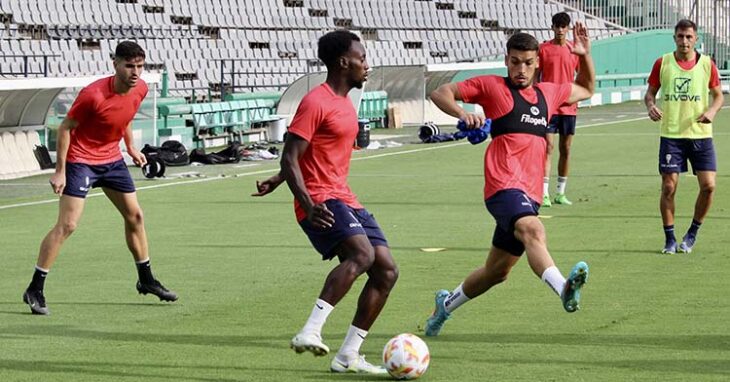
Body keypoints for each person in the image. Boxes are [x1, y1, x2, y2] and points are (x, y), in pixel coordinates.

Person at [424, 24, 595, 337]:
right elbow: (439, 92)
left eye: (528, 62)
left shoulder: (549, 92)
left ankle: (444, 307)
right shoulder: (492, 87)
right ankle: (564, 289)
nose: (521, 69)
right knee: (533, 229)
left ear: (537, 63)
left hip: (529, 193)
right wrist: (463, 113)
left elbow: (586, 89)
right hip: (502, 186)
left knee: (496, 272)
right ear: (506, 60)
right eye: (515, 61)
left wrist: (584, 57)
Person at [252, 30, 398, 374]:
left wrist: (276, 180)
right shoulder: (315, 102)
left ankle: (349, 354)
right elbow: (290, 156)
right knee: (362, 255)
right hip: (318, 199)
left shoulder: (345, 103)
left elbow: (311, 156)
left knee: (387, 271)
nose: (367, 65)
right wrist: (305, 199)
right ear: (343, 62)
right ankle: (310, 330)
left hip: (343, 195)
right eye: (361, 58)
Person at [22, 41, 178, 315]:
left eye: (140, 66)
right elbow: (65, 128)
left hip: (112, 161)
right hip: (81, 161)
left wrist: (129, 148)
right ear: (115, 64)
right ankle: (35, 287)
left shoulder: (140, 89)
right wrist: (59, 171)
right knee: (68, 225)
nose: (135, 72)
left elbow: (125, 117)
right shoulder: (93, 95)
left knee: (136, 217)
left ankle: (146, 279)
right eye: (129, 66)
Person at [644, 19, 723, 254]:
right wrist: (650, 106)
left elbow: (718, 96)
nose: (685, 41)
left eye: (689, 37)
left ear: (696, 39)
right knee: (669, 187)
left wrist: (711, 111)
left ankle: (692, 234)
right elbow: (650, 93)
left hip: (701, 135)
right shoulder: (663, 63)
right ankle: (669, 239)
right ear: (674, 38)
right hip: (672, 135)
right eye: (680, 36)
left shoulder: (708, 64)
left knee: (708, 186)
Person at [539, 12, 581, 207]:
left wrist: (577, 95)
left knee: (566, 149)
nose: (560, 30)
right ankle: (543, 193)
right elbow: (535, 76)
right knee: (547, 147)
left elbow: (583, 76)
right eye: (557, 26)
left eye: (563, 26)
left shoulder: (574, 50)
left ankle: (560, 193)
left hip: (569, 107)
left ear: (568, 28)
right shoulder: (543, 49)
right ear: (552, 27)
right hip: (548, 106)